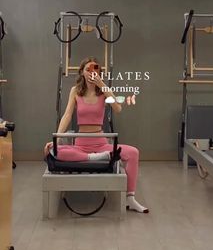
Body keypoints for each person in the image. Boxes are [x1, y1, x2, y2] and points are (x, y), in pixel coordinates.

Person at [44, 57, 149, 213]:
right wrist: (57, 138)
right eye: (88, 69)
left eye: (95, 69)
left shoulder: (103, 91)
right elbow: (67, 115)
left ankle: (130, 198)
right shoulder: (75, 91)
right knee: (53, 150)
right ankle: (92, 158)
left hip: (101, 144)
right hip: (81, 145)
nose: (91, 72)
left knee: (133, 153)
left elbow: (118, 108)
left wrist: (102, 85)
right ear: (82, 72)